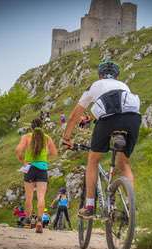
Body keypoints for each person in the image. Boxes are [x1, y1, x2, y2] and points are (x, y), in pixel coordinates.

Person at [62, 60, 141, 219]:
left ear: (100, 75)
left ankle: (90, 206)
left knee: (93, 160)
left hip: (108, 119)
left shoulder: (95, 85)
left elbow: (73, 117)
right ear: (117, 76)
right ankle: (130, 206)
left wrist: (66, 137)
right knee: (124, 163)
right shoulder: (124, 85)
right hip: (133, 119)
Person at [15, 118, 58, 233]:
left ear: (31, 127)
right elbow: (54, 153)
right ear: (42, 126)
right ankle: (39, 221)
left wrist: (23, 161)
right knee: (41, 196)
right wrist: (45, 157)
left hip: (29, 168)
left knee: (29, 197)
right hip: (42, 169)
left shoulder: (26, 137)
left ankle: (28, 221)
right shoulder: (47, 138)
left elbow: (18, 150)